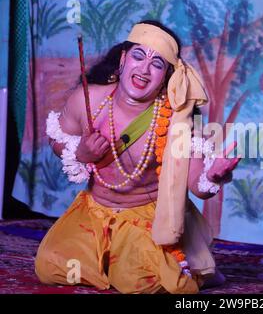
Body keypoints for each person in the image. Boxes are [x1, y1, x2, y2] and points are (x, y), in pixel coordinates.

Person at [35, 20, 240, 294]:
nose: (144, 70)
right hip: (94, 211)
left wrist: (215, 176)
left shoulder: (177, 119)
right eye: (138, 56)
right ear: (123, 58)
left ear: (167, 75)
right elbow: (58, 137)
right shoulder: (89, 99)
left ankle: (187, 264)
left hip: (148, 218)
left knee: (145, 284)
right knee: (51, 267)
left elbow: (196, 185)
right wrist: (80, 153)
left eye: (157, 64)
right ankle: (110, 261)